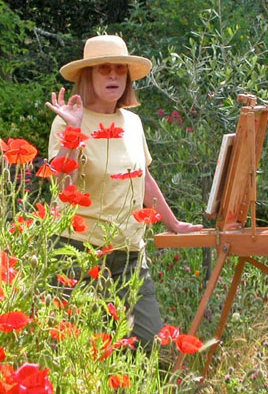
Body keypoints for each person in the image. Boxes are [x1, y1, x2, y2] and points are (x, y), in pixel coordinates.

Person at [46, 34, 203, 348]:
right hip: (78, 254)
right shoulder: (67, 122)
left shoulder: (132, 122)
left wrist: (173, 223)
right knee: (78, 352)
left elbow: (142, 177)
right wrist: (74, 131)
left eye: (120, 69)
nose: (114, 75)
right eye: (104, 69)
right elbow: (62, 186)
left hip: (130, 258)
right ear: (88, 77)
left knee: (149, 346)